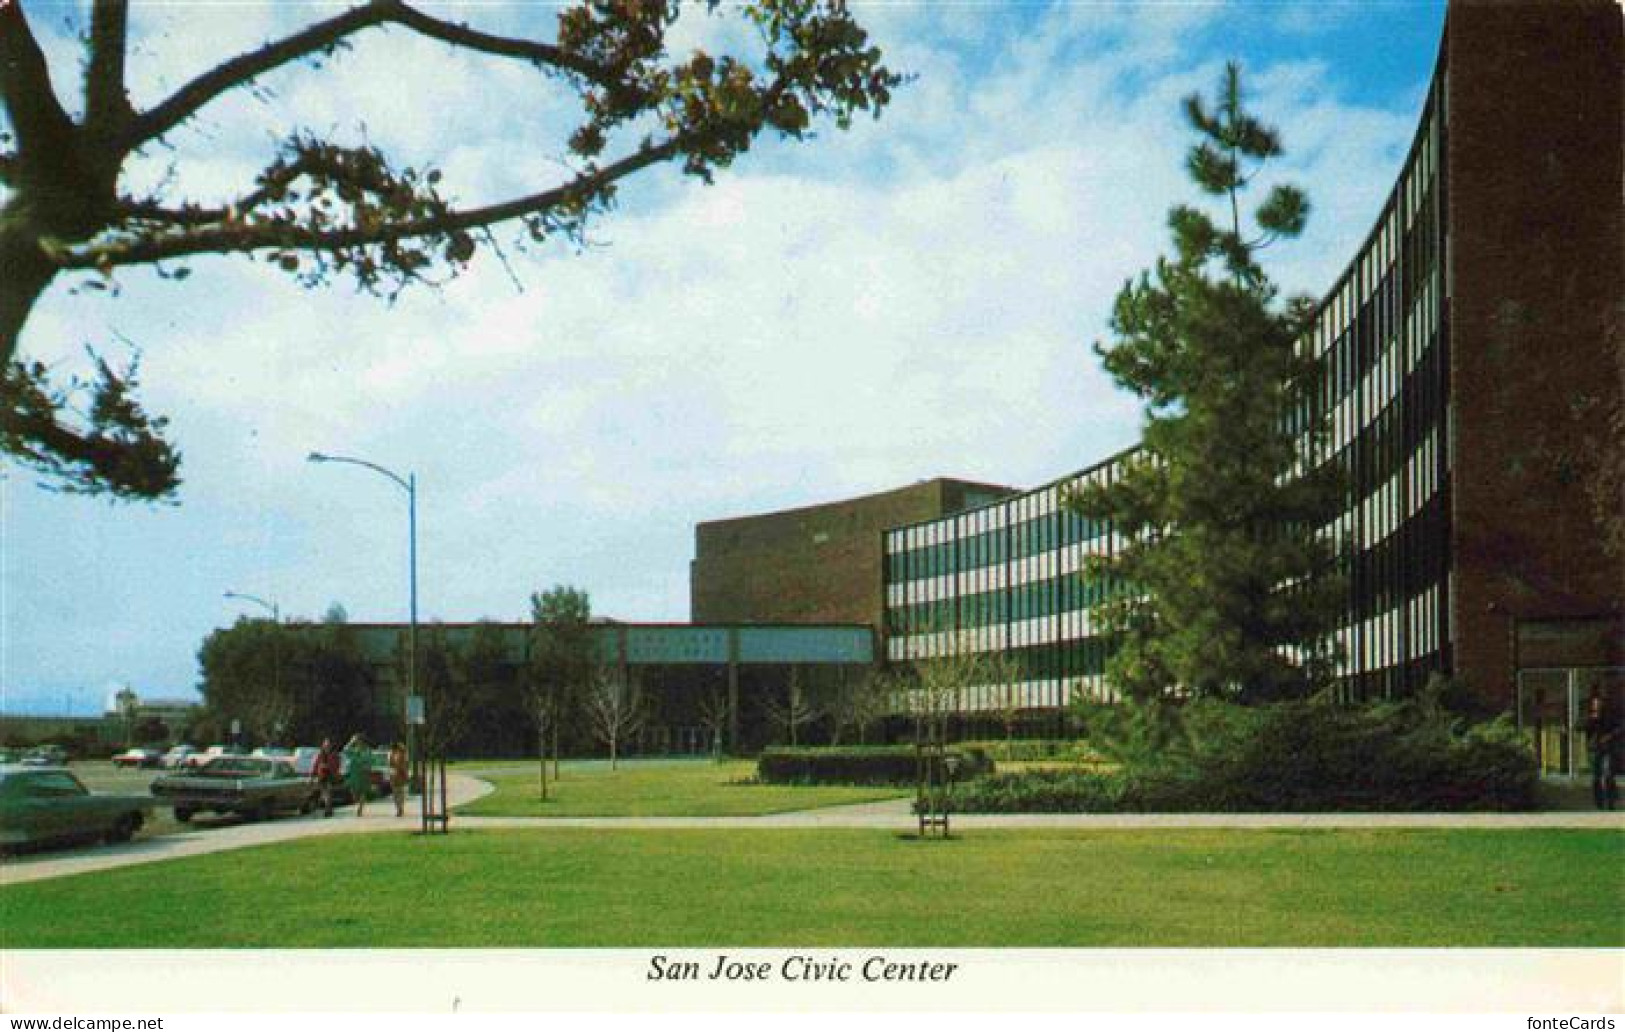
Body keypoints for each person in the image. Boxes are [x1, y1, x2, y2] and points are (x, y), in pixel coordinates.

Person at [1582, 684, 1620, 811]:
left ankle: (1611, 801)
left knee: (1608, 774)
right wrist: (1591, 720)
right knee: (1596, 776)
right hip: (1595, 749)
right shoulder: (1590, 717)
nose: (1597, 706)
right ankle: (1599, 802)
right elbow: (1582, 728)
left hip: (1608, 748)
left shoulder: (1609, 716)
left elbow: (1619, 728)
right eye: (1595, 704)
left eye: (1599, 704)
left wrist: (1610, 736)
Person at [311, 738, 341, 818]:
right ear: (323, 745)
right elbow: (316, 765)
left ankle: (328, 810)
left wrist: (327, 767)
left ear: (331, 746)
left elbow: (336, 766)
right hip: (321, 776)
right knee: (325, 793)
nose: (326, 746)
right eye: (325, 745)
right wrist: (312, 776)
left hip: (330, 776)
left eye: (328, 745)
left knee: (328, 793)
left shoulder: (334, 755)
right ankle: (328, 809)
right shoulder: (320, 754)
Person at [343, 734, 372, 817]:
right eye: (356, 741)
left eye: (358, 740)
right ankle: (358, 803)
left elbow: (368, 760)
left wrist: (366, 766)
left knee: (362, 791)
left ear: (362, 741)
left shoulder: (367, 750)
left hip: (363, 773)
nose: (357, 742)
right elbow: (345, 750)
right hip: (353, 773)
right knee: (354, 791)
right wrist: (351, 742)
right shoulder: (352, 749)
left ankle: (360, 808)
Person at [388, 741, 409, 818]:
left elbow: (405, 765)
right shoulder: (391, 755)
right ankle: (399, 808)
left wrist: (405, 773)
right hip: (394, 775)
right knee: (396, 793)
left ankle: (400, 808)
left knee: (400, 792)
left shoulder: (403, 755)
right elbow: (390, 765)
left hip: (400, 775)